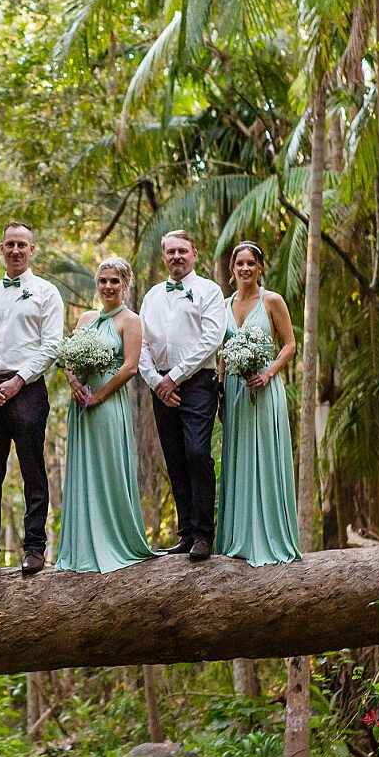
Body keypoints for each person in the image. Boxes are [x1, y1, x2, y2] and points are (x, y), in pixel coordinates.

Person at [0, 221, 64, 575]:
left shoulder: (46, 292)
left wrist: (20, 380)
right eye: (10, 244)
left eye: (23, 244)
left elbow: (52, 344)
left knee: (32, 469)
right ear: (2, 248)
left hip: (28, 390)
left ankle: (35, 548)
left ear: (32, 249)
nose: (16, 250)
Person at [57, 258, 158, 574]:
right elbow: (70, 357)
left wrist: (99, 395)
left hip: (108, 403)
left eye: (114, 281)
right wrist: (74, 382)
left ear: (124, 284)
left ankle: (115, 541)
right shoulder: (86, 318)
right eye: (103, 281)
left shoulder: (131, 321)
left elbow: (130, 366)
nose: (108, 286)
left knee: (108, 467)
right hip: (82, 404)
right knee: (84, 469)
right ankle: (83, 546)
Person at [138, 229, 227, 560]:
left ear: (194, 255)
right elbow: (142, 344)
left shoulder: (208, 290)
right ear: (164, 257)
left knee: (197, 453)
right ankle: (186, 534)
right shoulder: (152, 296)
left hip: (197, 383)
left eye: (182, 251)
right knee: (175, 459)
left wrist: (175, 378)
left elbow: (211, 339)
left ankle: (205, 533)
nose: (176, 256)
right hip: (160, 386)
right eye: (170, 251)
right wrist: (156, 381)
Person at [216, 241, 301, 564]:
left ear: (260, 267)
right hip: (236, 392)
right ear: (232, 269)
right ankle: (237, 538)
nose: (245, 269)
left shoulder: (272, 301)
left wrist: (268, 373)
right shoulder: (223, 306)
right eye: (240, 264)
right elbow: (223, 354)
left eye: (251, 263)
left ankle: (272, 537)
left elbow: (290, 345)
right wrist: (221, 391)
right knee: (237, 458)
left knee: (264, 456)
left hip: (265, 389)